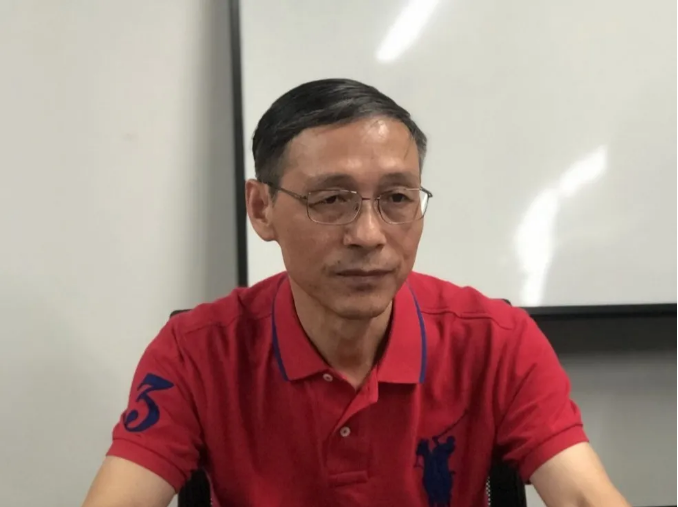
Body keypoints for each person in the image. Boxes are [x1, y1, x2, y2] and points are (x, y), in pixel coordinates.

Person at [82, 78, 630, 507]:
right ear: (262, 209)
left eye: (397, 198)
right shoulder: (196, 352)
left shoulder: (497, 342)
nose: (368, 235)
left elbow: (584, 495)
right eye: (331, 200)